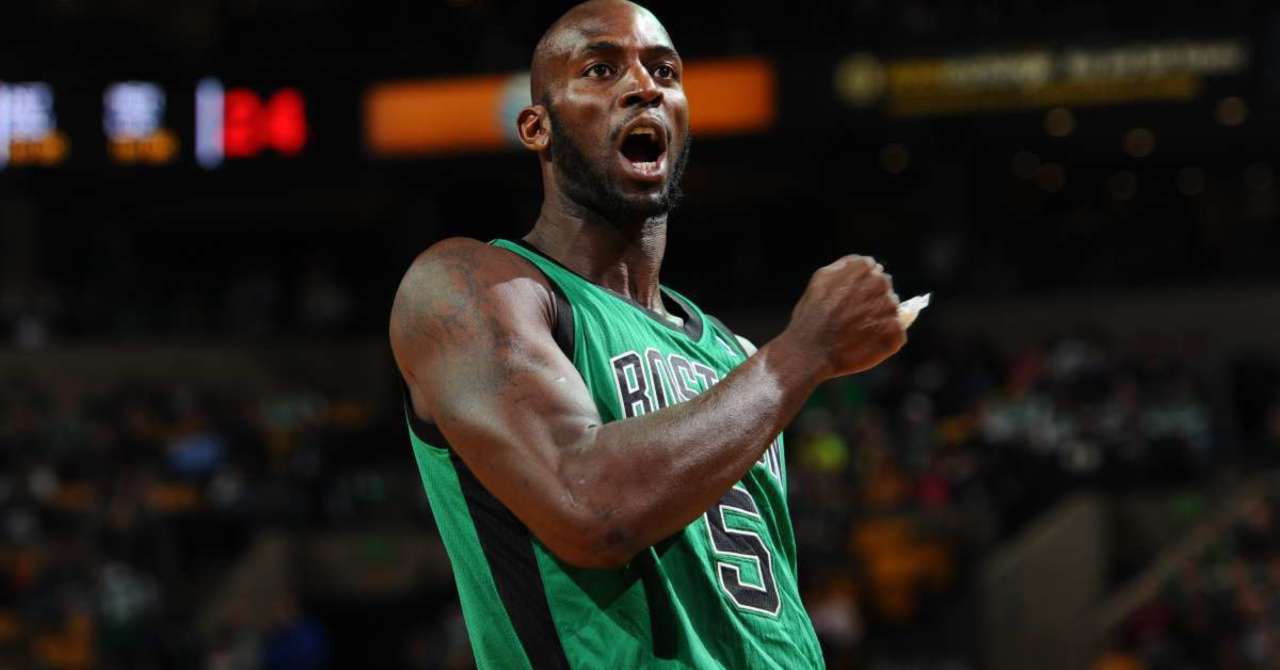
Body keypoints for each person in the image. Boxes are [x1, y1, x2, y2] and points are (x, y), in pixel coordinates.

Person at [389, 1, 907, 666]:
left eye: (664, 70)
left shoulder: (733, 355)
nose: (644, 87)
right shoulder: (467, 287)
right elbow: (589, 510)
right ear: (536, 127)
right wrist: (800, 355)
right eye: (600, 69)